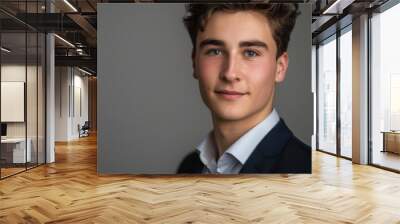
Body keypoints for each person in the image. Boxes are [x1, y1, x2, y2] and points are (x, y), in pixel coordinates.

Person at [177, 3, 311, 174]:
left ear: (280, 67)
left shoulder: (304, 168)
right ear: (194, 62)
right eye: (215, 51)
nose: (230, 73)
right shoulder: (190, 166)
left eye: (251, 53)